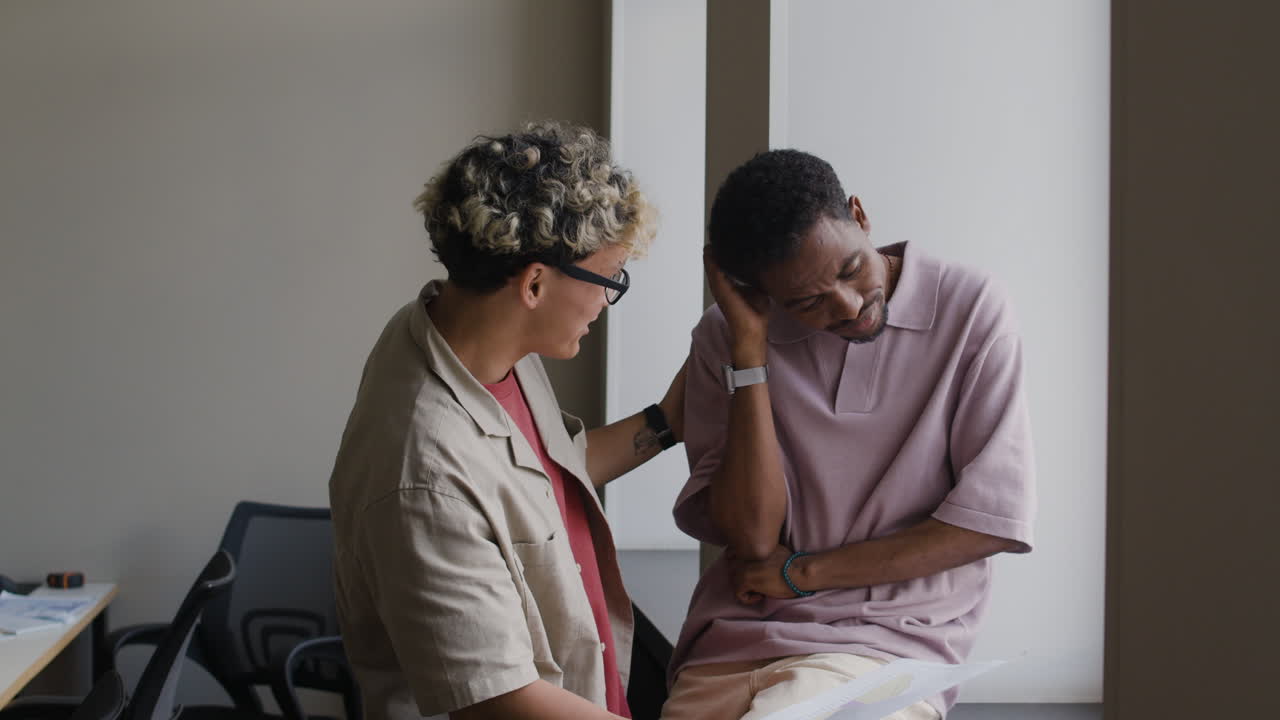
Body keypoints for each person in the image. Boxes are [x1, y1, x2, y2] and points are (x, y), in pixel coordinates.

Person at [660, 150, 1035, 720]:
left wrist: (803, 573)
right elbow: (752, 541)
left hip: (889, 644)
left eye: (850, 269)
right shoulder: (728, 337)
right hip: (735, 642)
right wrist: (747, 357)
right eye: (806, 302)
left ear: (860, 216)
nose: (851, 307)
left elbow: (988, 524)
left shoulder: (971, 307)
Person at [328, 122, 686, 720]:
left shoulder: (462, 336)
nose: (606, 302)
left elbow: (541, 479)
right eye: (609, 280)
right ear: (536, 283)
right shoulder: (424, 476)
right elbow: (499, 700)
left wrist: (669, 422)